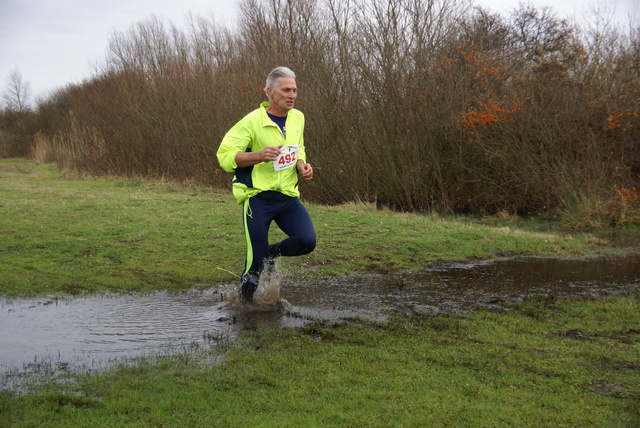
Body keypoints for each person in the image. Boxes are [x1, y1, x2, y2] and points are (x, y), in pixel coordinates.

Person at [216, 67, 316, 303]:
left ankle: (272, 252)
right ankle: (245, 305)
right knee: (255, 259)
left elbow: (297, 147)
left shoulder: (298, 117)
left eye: (294, 90)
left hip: (287, 196)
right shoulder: (252, 122)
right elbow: (225, 156)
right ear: (269, 92)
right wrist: (259, 155)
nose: (292, 95)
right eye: (286, 90)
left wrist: (302, 165)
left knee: (306, 241)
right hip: (257, 197)